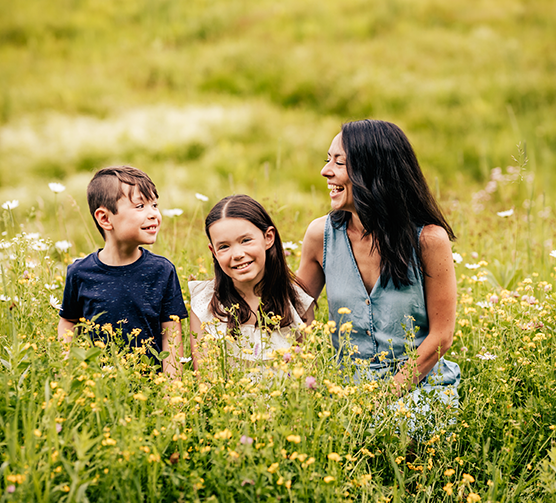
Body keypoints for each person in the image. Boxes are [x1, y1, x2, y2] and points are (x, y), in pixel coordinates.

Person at [297, 119, 461, 414]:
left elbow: (441, 337)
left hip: (420, 385)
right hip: (346, 388)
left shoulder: (429, 241)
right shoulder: (319, 235)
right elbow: (295, 314)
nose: (326, 171)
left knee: (400, 433)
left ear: (372, 171)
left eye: (340, 162)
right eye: (327, 160)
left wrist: (379, 401)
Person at [57, 166, 188, 376]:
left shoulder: (162, 271)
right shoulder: (80, 273)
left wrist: (172, 390)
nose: (153, 214)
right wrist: (67, 367)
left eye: (154, 205)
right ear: (105, 219)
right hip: (99, 388)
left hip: (149, 389)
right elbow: (68, 320)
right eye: (140, 206)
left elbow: (170, 335)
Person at [188, 195, 314, 369]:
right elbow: (206, 380)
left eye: (245, 240)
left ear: (268, 237)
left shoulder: (297, 301)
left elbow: (307, 375)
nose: (237, 254)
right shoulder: (205, 304)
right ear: (214, 252)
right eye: (224, 246)